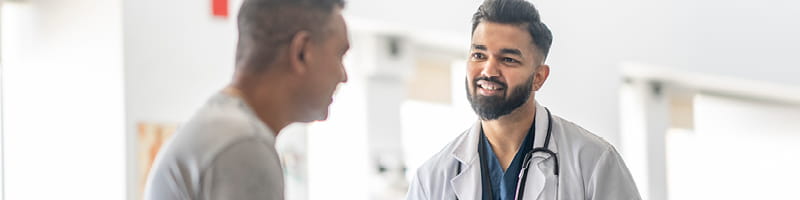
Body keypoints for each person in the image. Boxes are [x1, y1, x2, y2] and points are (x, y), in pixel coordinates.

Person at [406, 0, 640, 199]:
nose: (488, 70)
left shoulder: (593, 162)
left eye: (508, 59)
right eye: (479, 55)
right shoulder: (432, 179)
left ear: (538, 77)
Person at [143, 0, 349, 199]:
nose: (343, 76)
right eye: (339, 55)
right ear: (302, 52)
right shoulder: (243, 144)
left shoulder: (223, 129)